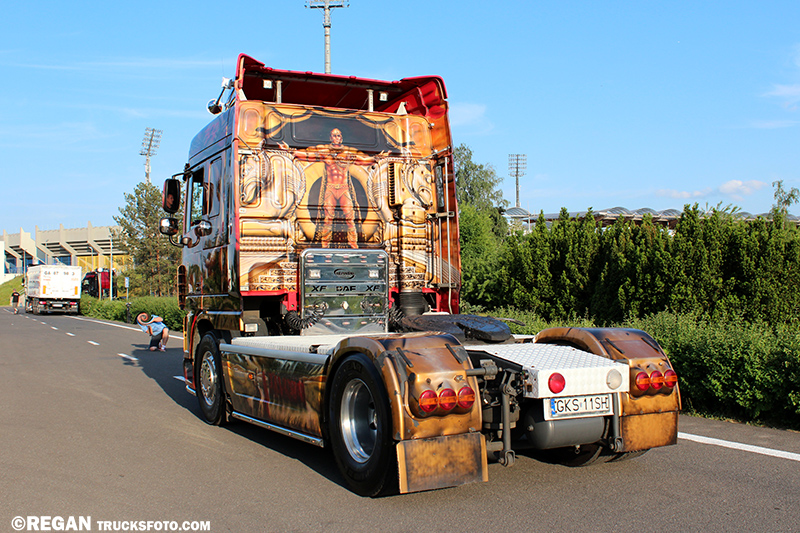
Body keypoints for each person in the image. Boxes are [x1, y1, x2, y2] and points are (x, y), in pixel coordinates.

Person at [280, 128, 383, 248]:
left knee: (350, 219)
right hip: (330, 189)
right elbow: (308, 156)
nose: (336, 138)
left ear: (341, 138)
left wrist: (376, 158)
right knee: (328, 219)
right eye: (334, 136)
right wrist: (290, 151)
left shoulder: (347, 154)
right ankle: (325, 246)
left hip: (344, 189)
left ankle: (353, 245)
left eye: (338, 135)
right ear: (330, 138)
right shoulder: (325, 153)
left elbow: (363, 161)